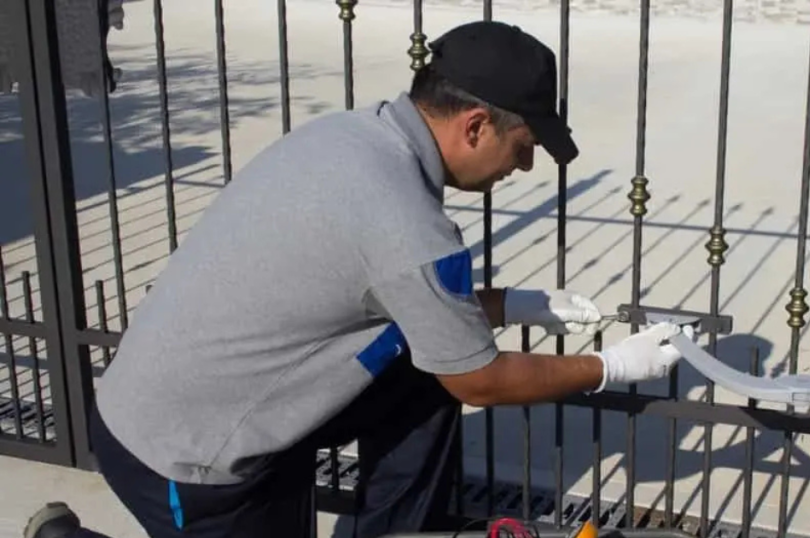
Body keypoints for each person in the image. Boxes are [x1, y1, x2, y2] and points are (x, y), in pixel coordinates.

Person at [24, 20, 694, 538]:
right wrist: (608, 366)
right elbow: (480, 379)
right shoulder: (406, 223)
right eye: (523, 149)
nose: (520, 170)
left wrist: (519, 303)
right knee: (449, 369)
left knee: (419, 376)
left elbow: (409, 306)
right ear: (477, 124)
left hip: (189, 408)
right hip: (188, 459)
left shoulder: (353, 138)